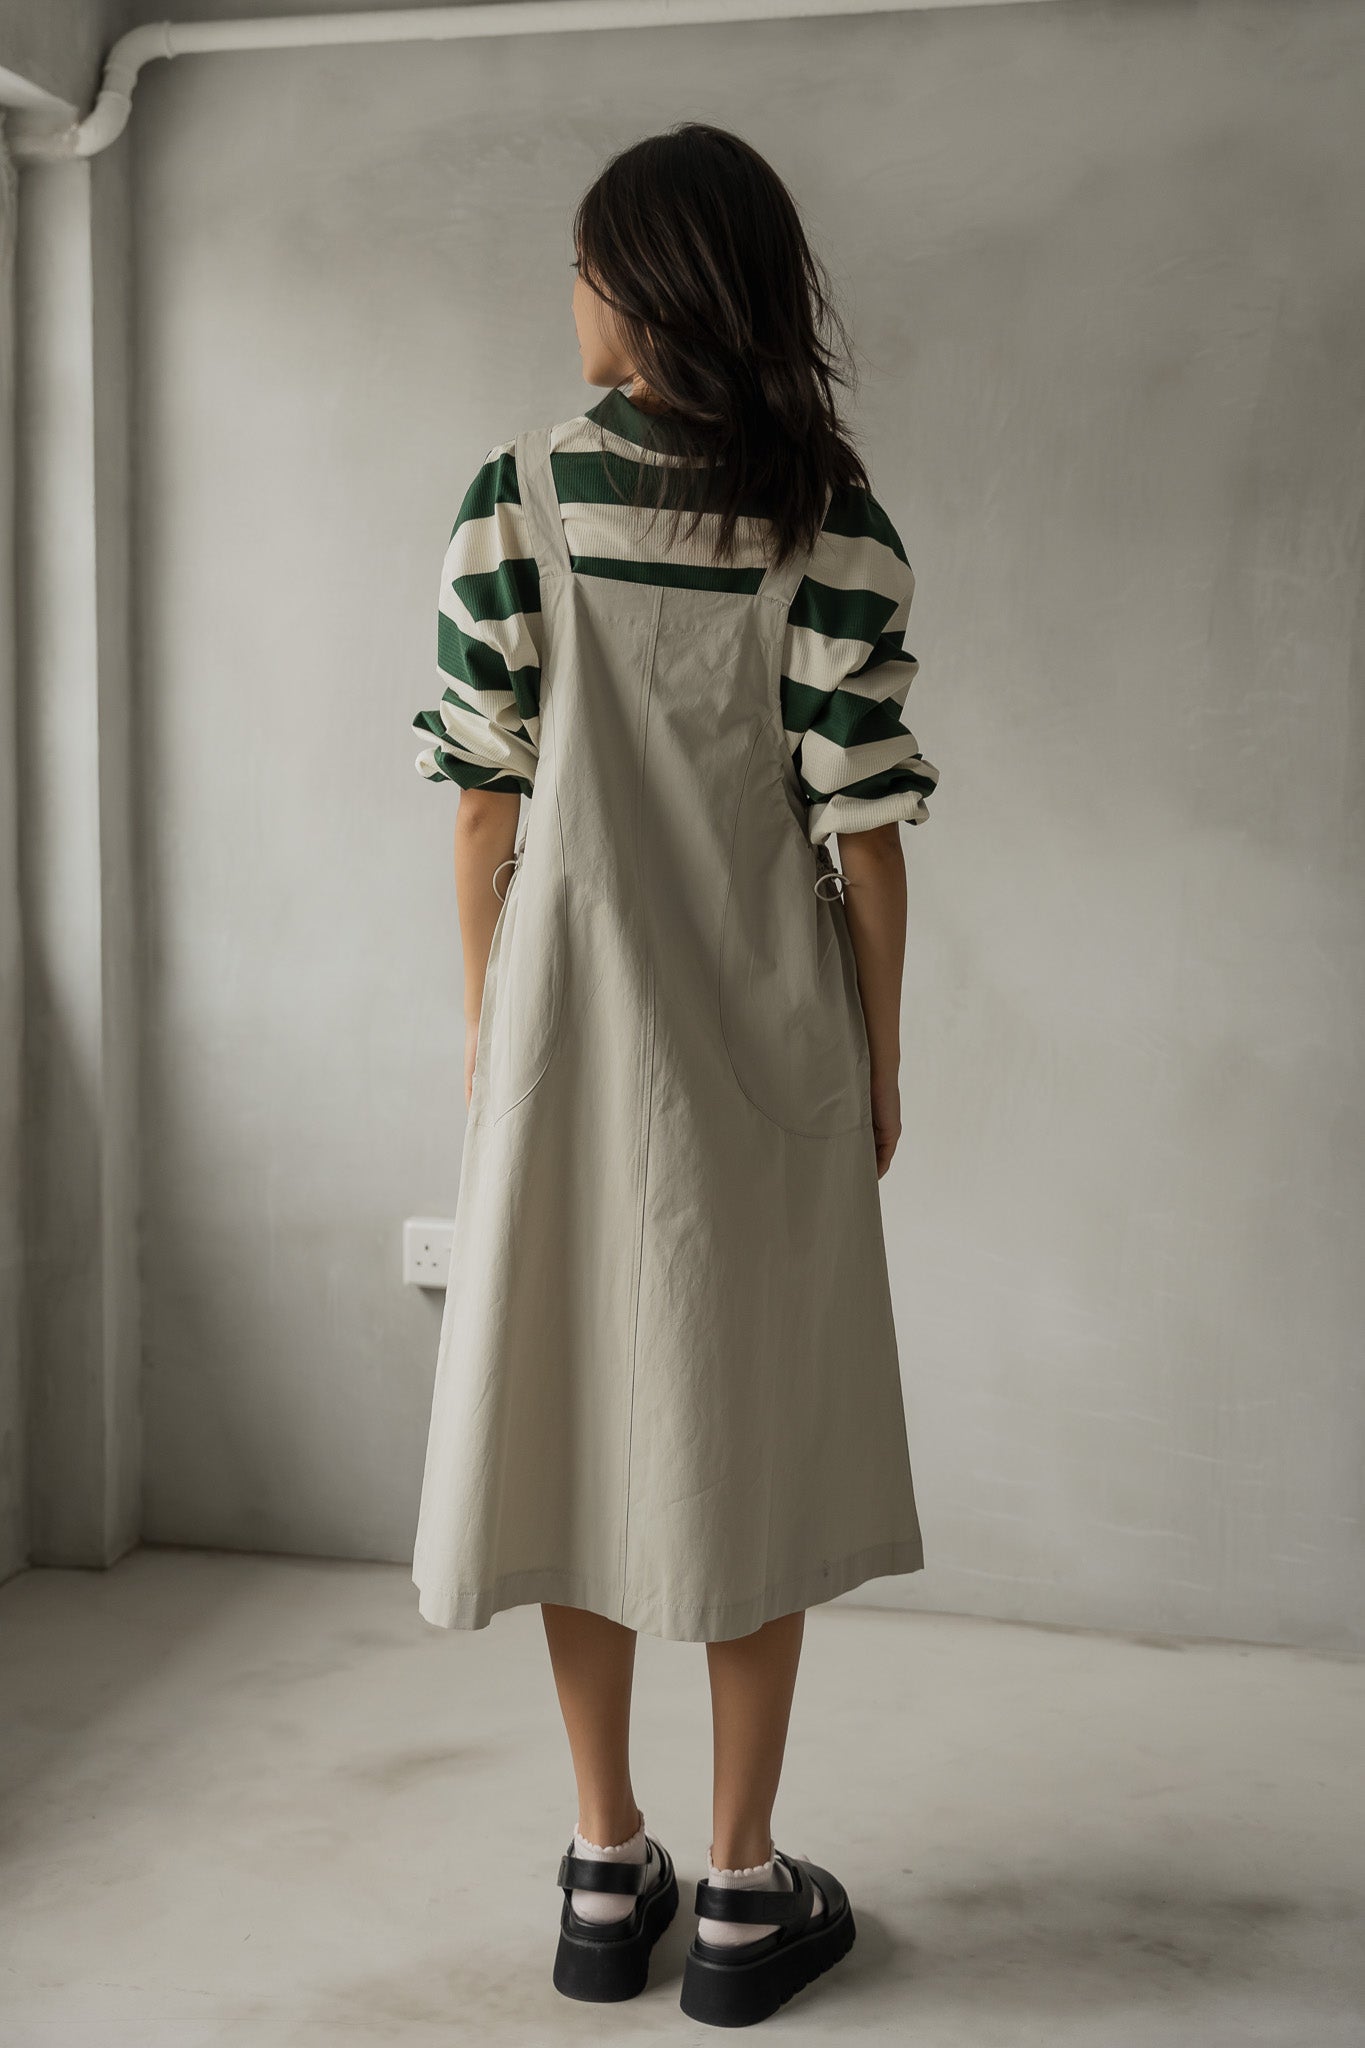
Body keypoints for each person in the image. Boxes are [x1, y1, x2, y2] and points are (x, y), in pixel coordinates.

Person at [409, 121, 938, 2029]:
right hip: (764, 1040)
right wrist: (879, 1060)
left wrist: (492, 1025)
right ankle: (738, 1892)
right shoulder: (827, 518)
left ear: (638, 289)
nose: (571, 297)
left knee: (572, 1421)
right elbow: (862, 829)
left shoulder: (515, 496)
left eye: (584, 265)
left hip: (568, 1043)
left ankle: (598, 1864)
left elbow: (481, 803)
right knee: (748, 1439)